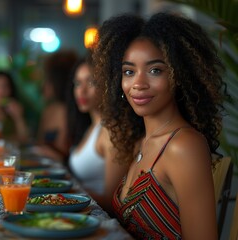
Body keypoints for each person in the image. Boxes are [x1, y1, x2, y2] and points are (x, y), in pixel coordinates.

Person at [93, 12, 227, 239]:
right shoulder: (141, 142)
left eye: (155, 70)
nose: (138, 83)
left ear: (179, 75)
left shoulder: (184, 146)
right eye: (129, 71)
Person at [67, 54, 128, 214]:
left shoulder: (112, 129)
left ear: (108, 86)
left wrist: (68, 194)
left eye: (91, 82)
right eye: (78, 83)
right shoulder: (92, 127)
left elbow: (112, 201)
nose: (82, 90)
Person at [35, 50, 78, 162]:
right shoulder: (49, 109)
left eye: (47, 79)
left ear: (57, 81)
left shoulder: (67, 111)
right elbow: (40, 143)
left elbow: (63, 153)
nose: (43, 85)